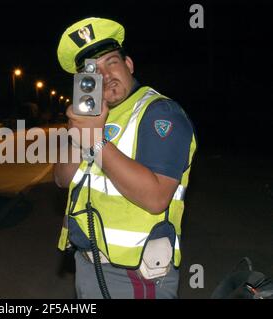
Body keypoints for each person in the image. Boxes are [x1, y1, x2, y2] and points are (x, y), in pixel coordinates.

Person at [54, 17, 197, 299]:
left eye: (112, 62)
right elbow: (62, 179)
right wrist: (77, 135)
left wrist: (96, 140)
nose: (105, 75)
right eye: (92, 70)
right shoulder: (96, 117)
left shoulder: (158, 113)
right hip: (88, 265)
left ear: (129, 65)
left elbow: (156, 198)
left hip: (135, 276)